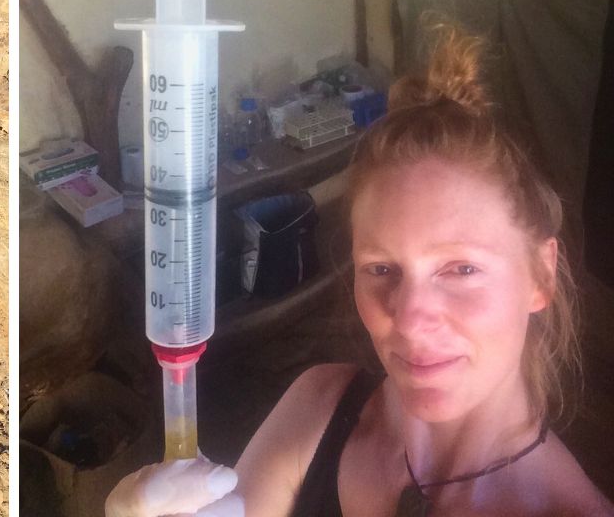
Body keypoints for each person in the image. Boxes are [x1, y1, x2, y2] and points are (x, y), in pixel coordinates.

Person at [107, 28, 614, 516]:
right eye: (382, 268)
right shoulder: (319, 406)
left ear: (540, 276)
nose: (410, 319)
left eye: (462, 268)